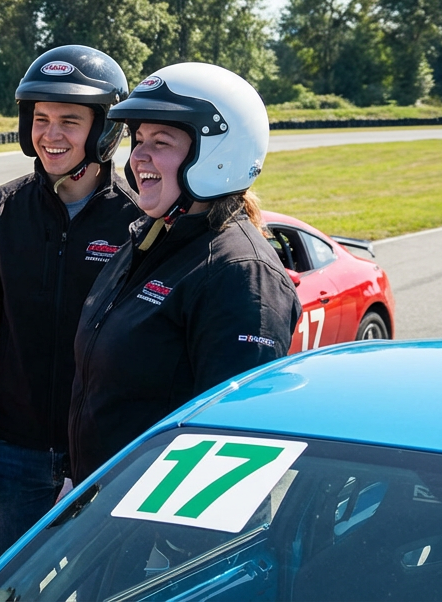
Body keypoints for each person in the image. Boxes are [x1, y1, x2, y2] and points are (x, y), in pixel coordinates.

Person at [0, 45, 143, 570]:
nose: (50, 134)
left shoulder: (138, 221)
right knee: (6, 584)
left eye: (69, 121)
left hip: (107, 455)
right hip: (15, 450)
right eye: (40, 119)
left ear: (104, 130)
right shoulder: (0, 210)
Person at [69, 62, 301, 483]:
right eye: (138, 139)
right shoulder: (150, 239)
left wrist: (169, 545)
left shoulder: (240, 274)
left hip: (163, 531)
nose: (139, 155)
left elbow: (233, 450)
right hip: (104, 510)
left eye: (161, 141)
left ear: (218, 155)